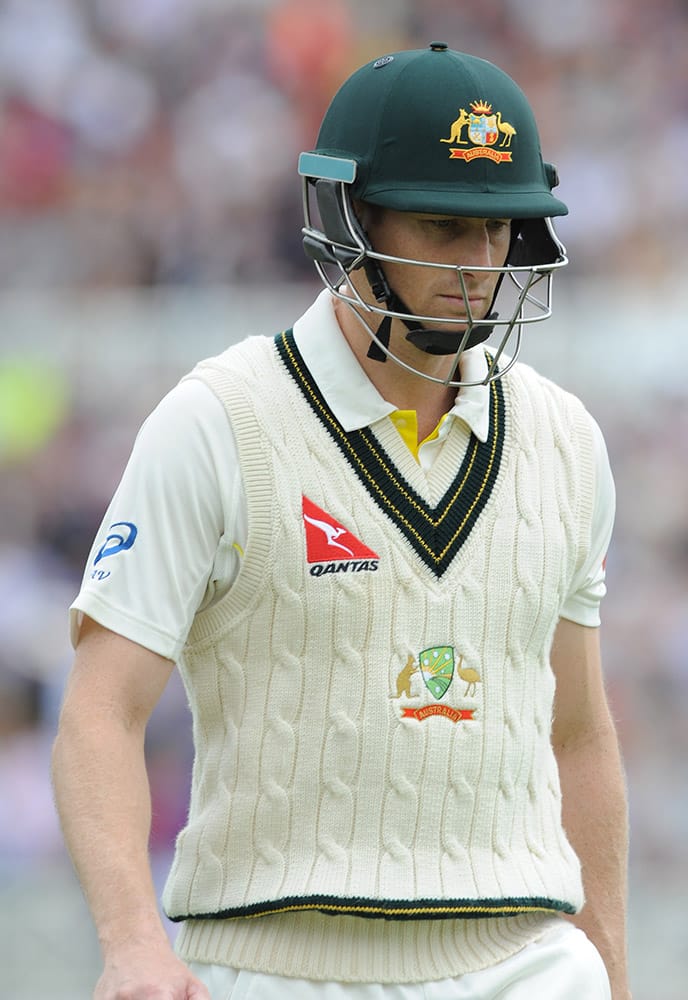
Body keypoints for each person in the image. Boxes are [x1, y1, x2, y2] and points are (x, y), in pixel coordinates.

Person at [52, 42, 631, 1000]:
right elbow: (99, 714)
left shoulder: (565, 439)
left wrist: (612, 972)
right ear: (350, 222)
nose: (479, 264)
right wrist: (131, 943)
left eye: (500, 229)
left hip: (528, 963)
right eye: (444, 226)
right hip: (274, 967)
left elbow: (580, 735)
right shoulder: (221, 422)